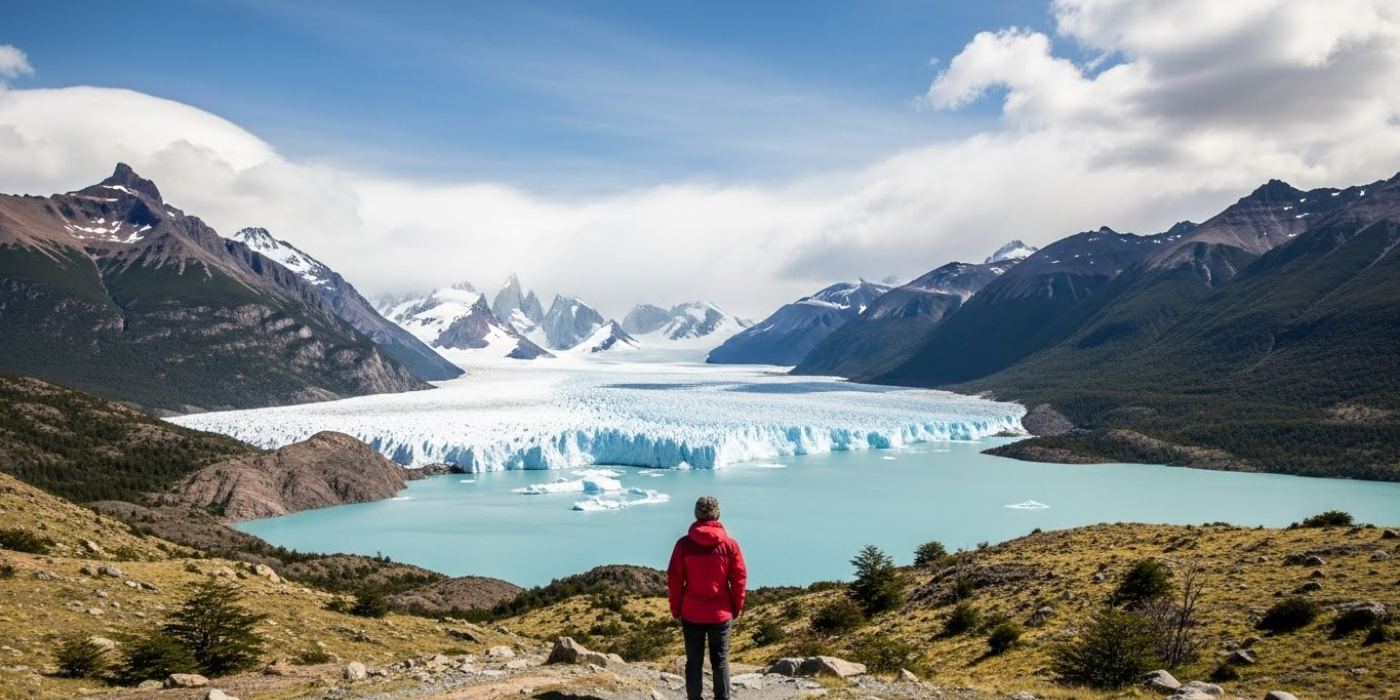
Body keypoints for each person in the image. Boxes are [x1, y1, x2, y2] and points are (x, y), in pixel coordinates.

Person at [668, 496, 748, 700]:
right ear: (717, 514)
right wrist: (736, 607)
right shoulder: (730, 546)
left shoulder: (683, 545)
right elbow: (739, 580)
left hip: (691, 613)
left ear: (696, 514)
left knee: (693, 662)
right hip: (720, 614)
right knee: (720, 661)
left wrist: (676, 609)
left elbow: (675, 580)